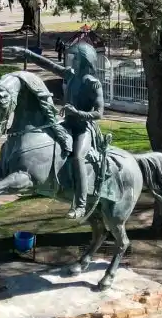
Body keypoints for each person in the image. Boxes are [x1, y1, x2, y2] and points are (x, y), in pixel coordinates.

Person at [11, 42, 104, 220]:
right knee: (45, 141)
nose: (73, 60)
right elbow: (48, 64)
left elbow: (99, 113)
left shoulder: (94, 84)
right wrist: (25, 52)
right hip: (67, 123)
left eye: (76, 57)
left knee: (77, 157)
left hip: (83, 128)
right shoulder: (70, 75)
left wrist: (77, 113)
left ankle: (81, 204)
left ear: (84, 61)